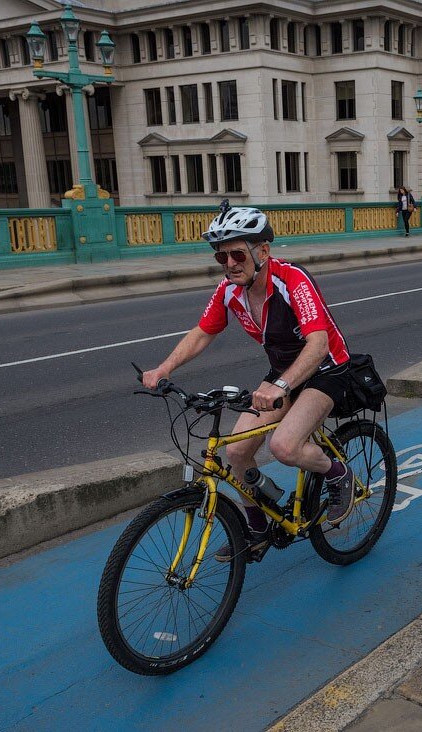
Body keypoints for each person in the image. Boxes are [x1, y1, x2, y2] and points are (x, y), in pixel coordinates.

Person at [142, 206, 359, 559]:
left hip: (326, 369)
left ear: (263, 252)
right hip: (283, 373)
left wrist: (281, 387)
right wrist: (164, 368)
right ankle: (257, 528)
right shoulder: (229, 289)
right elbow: (202, 332)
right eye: (221, 256)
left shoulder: (291, 280)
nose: (229, 263)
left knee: (285, 447)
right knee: (237, 452)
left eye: (237, 254)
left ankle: (338, 473)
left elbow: (318, 344)